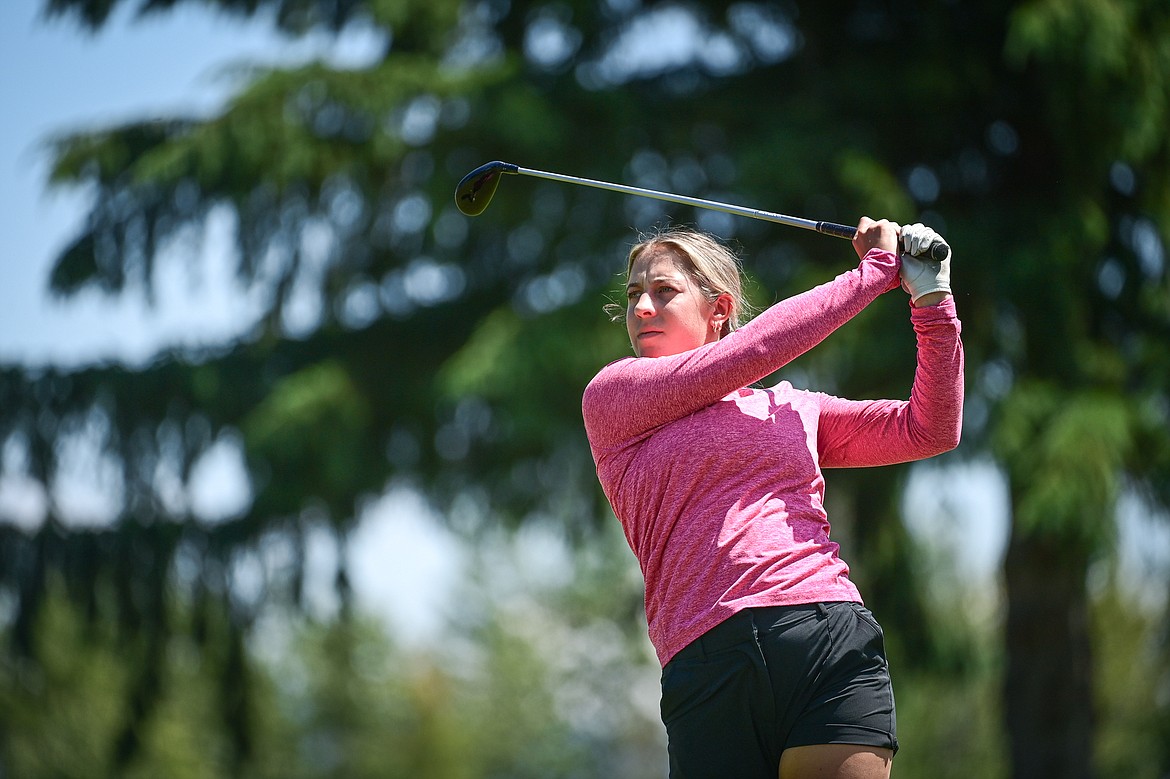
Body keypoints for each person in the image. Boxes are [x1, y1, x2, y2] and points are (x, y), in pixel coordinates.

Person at [581, 218, 963, 779]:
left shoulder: (791, 408)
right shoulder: (615, 398)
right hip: (710, 660)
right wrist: (876, 273)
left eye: (664, 292)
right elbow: (753, 349)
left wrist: (932, 301)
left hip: (826, 636)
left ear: (719, 309)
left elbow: (929, 429)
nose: (641, 308)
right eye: (635, 294)